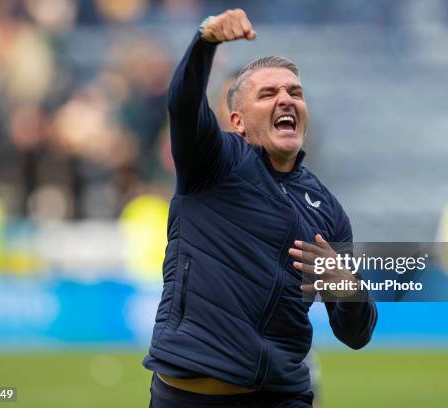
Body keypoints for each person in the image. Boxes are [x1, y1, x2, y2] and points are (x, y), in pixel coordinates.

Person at [145, 9, 378, 407]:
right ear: (236, 120)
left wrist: (348, 289)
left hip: (281, 396)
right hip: (186, 397)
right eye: (268, 94)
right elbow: (183, 104)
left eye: (295, 93)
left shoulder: (327, 210)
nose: (285, 99)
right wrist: (205, 43)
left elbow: (355, 335)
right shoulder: (214, 162)